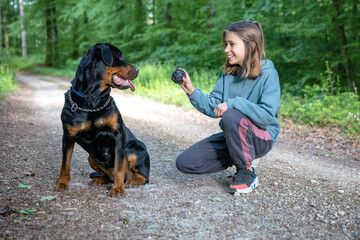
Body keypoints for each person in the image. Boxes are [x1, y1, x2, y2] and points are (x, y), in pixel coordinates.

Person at [175, 20, 281, 194]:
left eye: (232, 44)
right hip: (235, 135)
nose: (226, 49)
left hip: (262, 136)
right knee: (185, 162)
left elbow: (268, 115)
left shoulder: (268, 73)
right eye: (226, 44)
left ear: (251, 46)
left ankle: (246, 171)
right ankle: (240, 154)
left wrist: (233, 103)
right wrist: (192, 91)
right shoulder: (229, 74)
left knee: (231, 115)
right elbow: (213, 106)